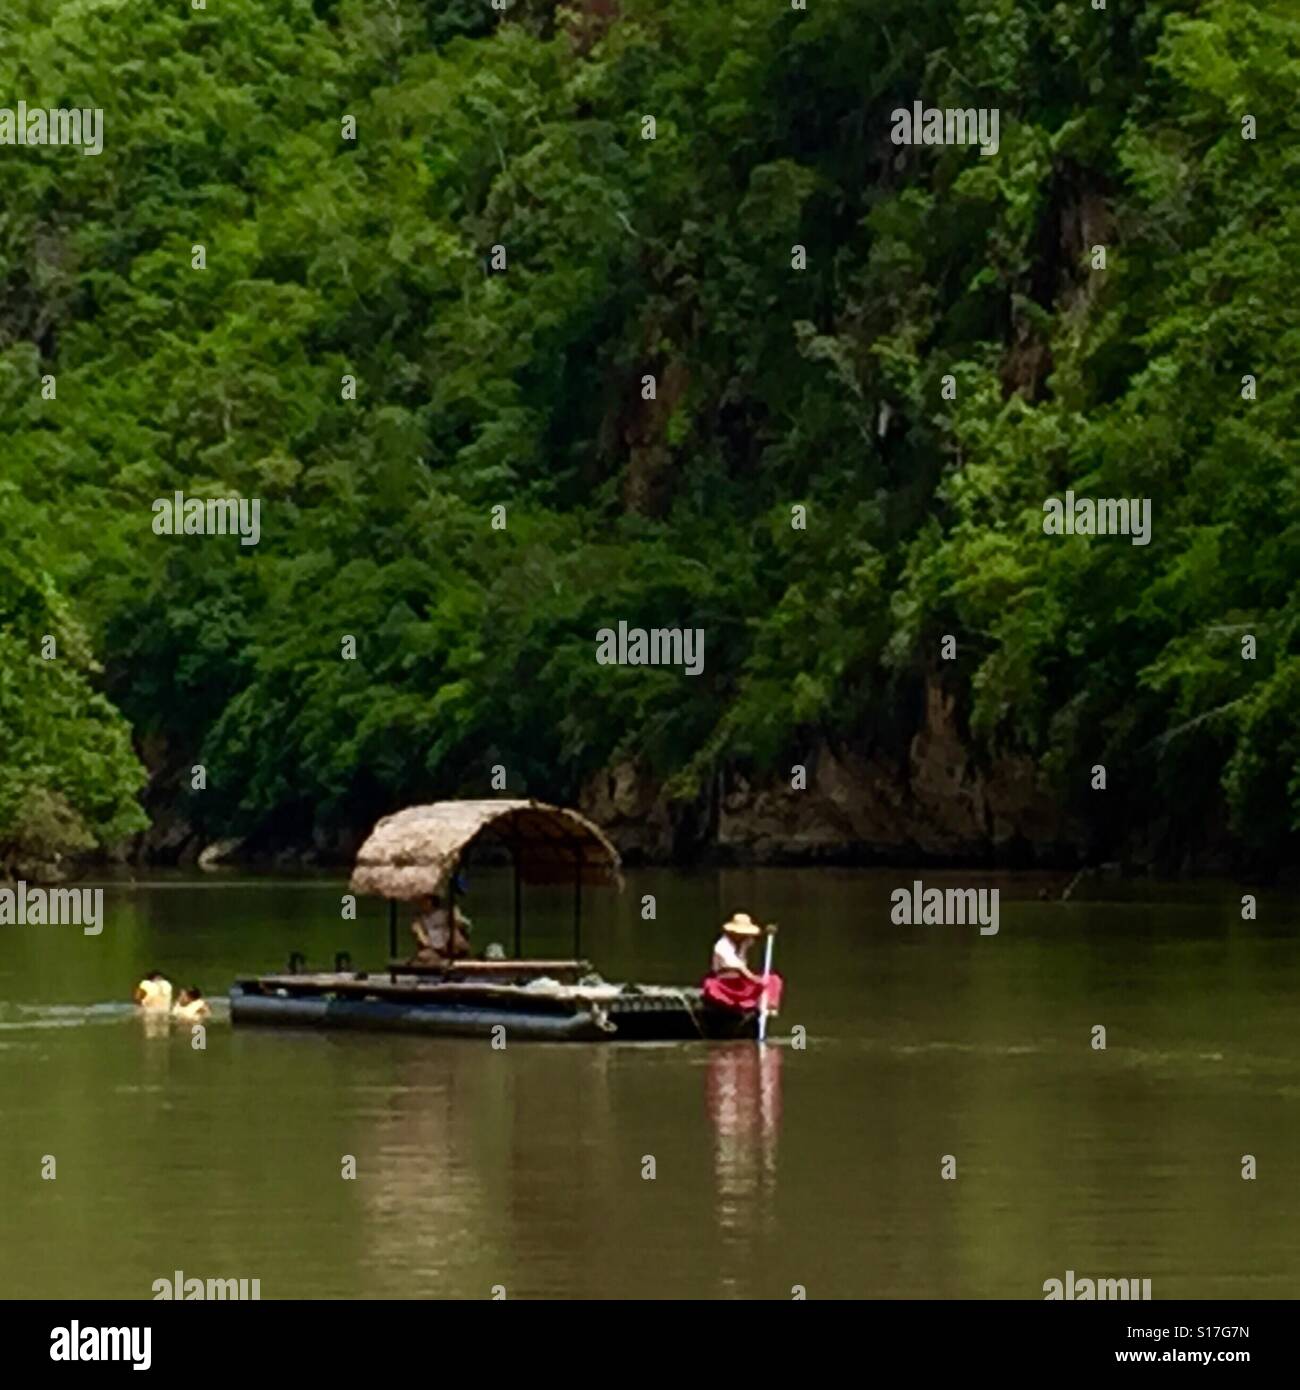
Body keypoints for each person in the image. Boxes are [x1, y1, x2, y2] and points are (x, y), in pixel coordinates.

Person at [702, 913, 783, 1015]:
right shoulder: (722, 945)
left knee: (774, 979)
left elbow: (755, 938)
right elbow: (739, 968)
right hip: (726, 983)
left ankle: (768, 1005)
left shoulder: (744, 942)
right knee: (712, 986)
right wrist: (756, 980)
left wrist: (768, 932)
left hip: (741, 982)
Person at [410, 893, 472, 962]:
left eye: (425, 901)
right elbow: (422, 938)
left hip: (450, 945)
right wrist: (420, 933)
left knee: (457, 939)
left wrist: (456, 918)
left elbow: (462, 925)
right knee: (424, 956)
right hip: (434, 948)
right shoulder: (420, 920)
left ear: (431, 902)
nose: (422, 904)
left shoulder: (444, 914)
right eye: (422, 901)